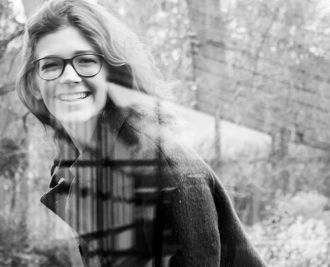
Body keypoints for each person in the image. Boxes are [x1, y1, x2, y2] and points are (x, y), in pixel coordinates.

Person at [16, 0, 266, 266]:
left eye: (86, 60)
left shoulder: (168, 171)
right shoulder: (77, 164)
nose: (69, 76)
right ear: (33, 83)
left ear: (111, 74)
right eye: (51, 65)